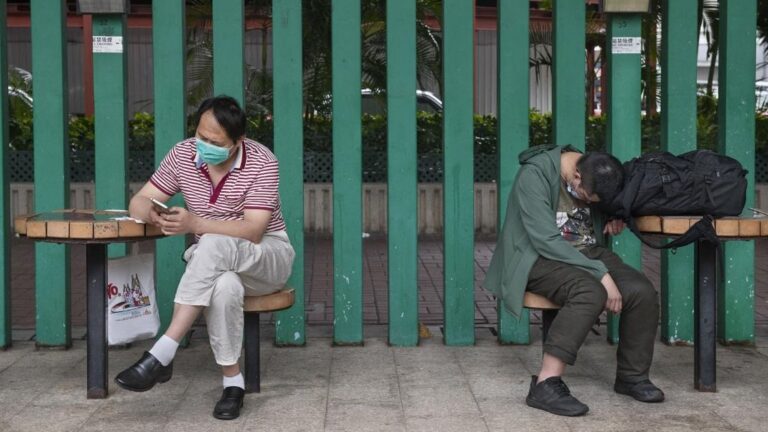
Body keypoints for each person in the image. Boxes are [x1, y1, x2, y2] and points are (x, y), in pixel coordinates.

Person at [115, 95, 295, 420]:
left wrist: (195, 224)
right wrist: (157, 215)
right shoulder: (183, 154)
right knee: (224, 285)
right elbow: (138, 202)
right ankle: (233, 383)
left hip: (266, 257)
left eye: (214, 142)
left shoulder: (262, 161)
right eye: (200, 135)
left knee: (211, 241)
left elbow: (254, 230)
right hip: (216, 265)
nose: (203, 145)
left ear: (238, 142)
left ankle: (164, 351)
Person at [483, 144, 663, 417]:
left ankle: (632, 377)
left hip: (585, 252)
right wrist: (600, 273)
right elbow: (545, 240)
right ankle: (545, 383)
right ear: (576, 177)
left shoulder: (592, 170)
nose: (588, 202)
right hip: (536, 257)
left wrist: (615, 215)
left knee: (641, 291)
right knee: (589, 291)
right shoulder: (534, 175)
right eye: (587, 197)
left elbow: (605, 200)